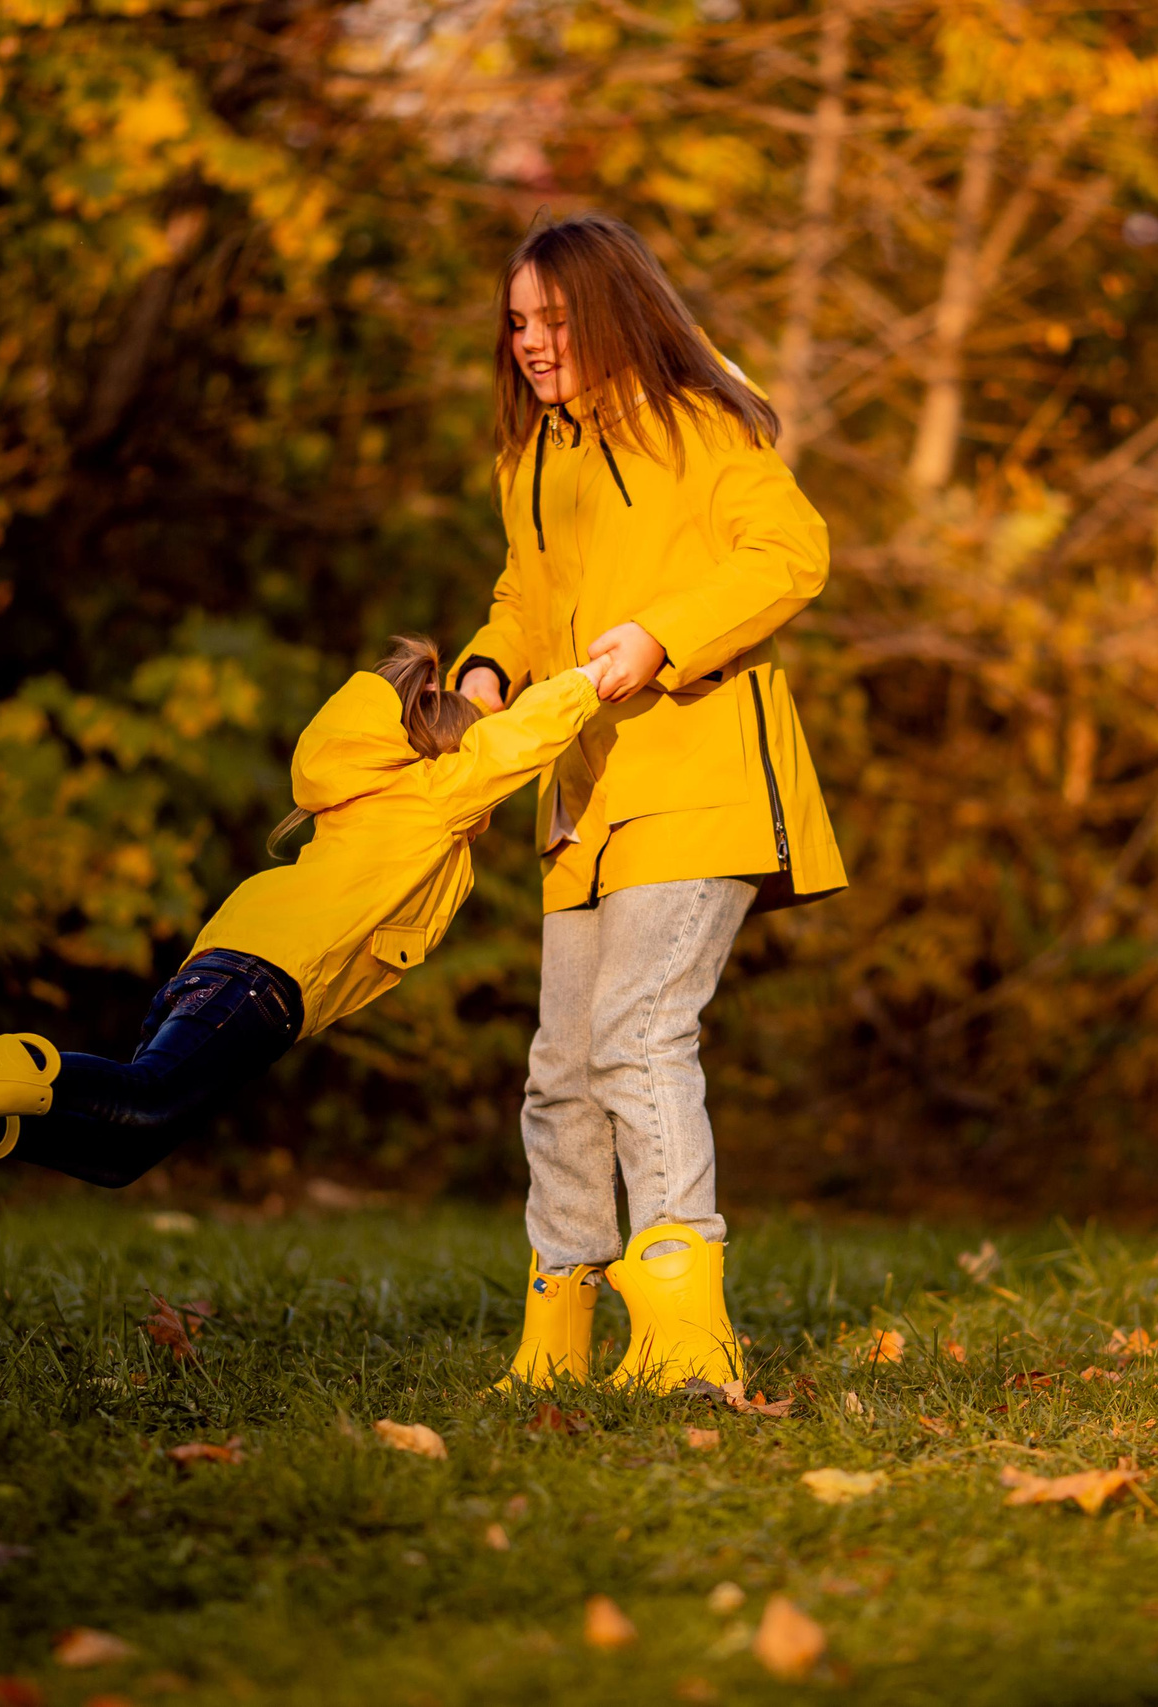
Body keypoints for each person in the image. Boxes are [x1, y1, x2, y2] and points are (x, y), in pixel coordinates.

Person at [454, 212, 847, 1394]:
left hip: (698, 777)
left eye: (556, 320)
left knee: (637, 1035)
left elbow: (791, 553)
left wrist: (660, 636)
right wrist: (484, 671)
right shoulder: (530, 460)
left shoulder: (699, 421)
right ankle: (558, 1338)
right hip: (585, 803)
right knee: (559, 1070)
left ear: (614, 311)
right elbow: (525, 601)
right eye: (518, 322)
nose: (531, 342)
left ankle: (685, 1336)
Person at [0, 637, 618, 1209]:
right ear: (443, 753)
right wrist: (593, 674)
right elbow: (518, 740)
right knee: (144, 1097)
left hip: (231, 962)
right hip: (264, 976)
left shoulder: (364, 794)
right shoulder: (430, 797)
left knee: (121, 1149)